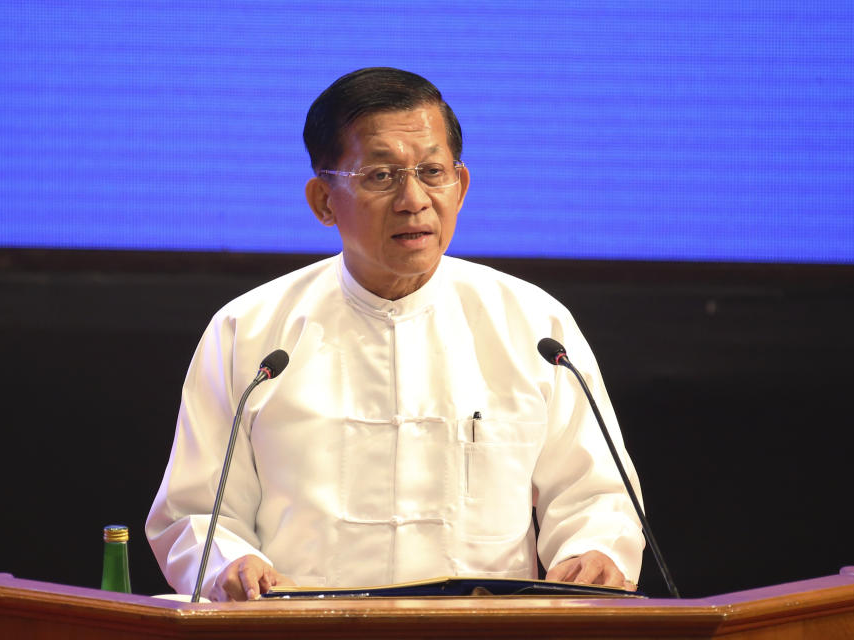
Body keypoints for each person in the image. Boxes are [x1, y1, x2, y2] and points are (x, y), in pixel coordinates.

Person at [146, 67, 645, 602]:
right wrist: (233, 561)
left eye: (432, 172)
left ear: (462, 185)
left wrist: (594, 551)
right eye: (381, 176)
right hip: (301, 633)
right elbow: (197, 511)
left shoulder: (534, 326)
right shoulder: (249, 332)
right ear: (323, 200)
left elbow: (595, 496)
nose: (414, 199)